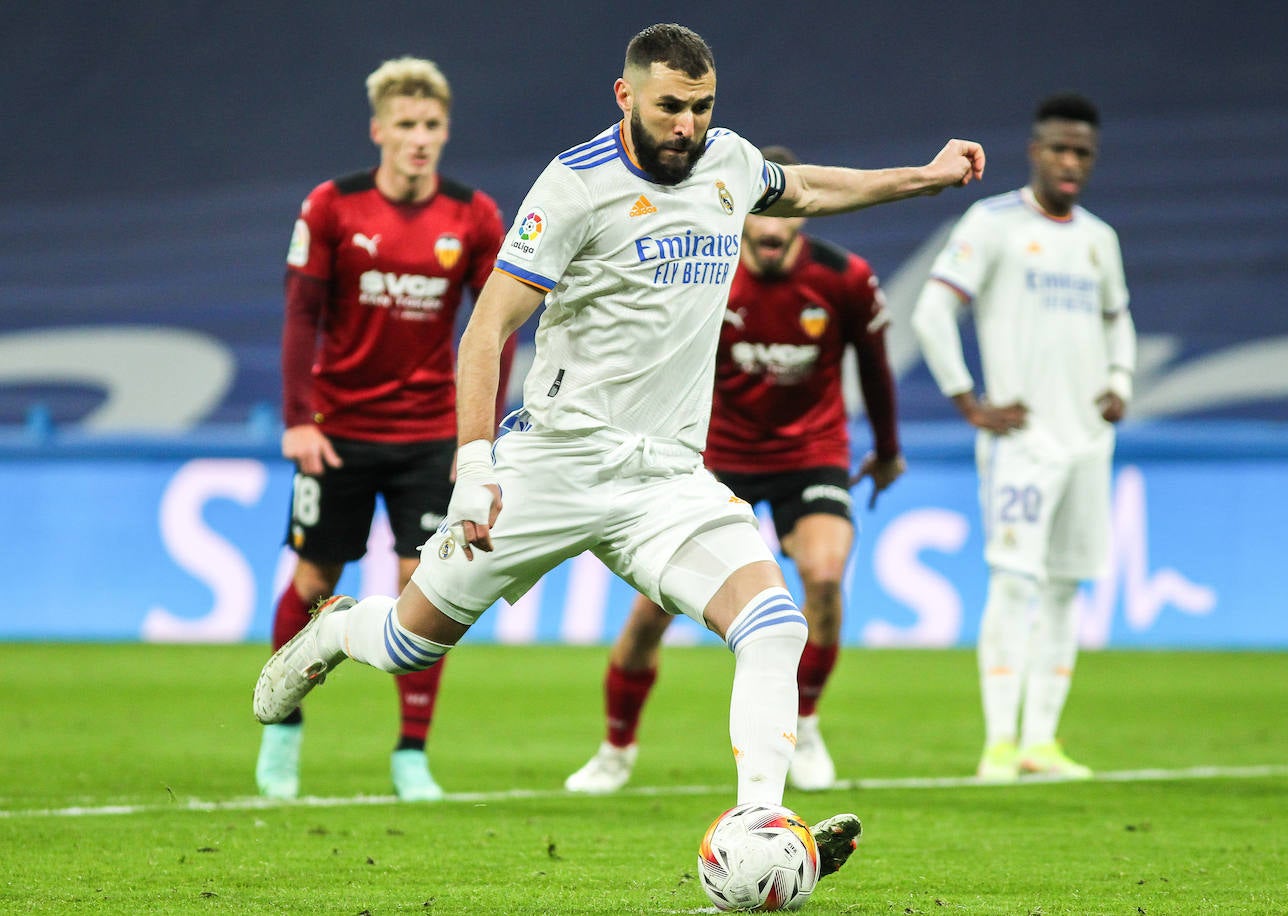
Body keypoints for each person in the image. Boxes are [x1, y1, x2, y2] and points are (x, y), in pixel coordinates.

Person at [255, 23, 982, 879]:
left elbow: (811, 189)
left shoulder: (729, 163)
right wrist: (477, 462)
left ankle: (758, 826)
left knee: (775, 625)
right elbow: (485, 330)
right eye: (670, 106)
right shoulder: (573, 186)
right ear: (625, 96)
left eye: (702, 107)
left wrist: (923, 178)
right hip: (552, 463)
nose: (687, 125)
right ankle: (337, 634)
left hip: (665, 479)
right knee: (412, 642)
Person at [564, 144, 906, 796]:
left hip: (811, 453)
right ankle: (615, 748)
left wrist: (887, 450)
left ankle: (803, 721)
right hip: (714, 459)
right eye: (761, 215)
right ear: (742, 211)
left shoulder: (844, 279)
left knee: (825, 580)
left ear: (803, 214)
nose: (773, 230)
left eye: (786, 216)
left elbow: (876, 370)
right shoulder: (706, 276)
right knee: (648, 616)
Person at [256, 56, 513, 801]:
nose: (420, 138)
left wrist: (479, 439)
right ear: (379, 130)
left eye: (432, 125)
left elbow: (497, 328)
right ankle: (283, 734)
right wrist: (299, 419)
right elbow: (301, 316)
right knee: (313, 582)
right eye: (406, 124)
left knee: (422, 585)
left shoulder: (473, 216)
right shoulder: (332, 207)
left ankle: (410, 754)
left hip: (428, 435)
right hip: (337, 431)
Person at [911, 92, 1135, 783]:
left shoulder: (1099, 238)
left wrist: (1121, 380)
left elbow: (1117, 319)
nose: (1071, 162)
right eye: (1060, 149)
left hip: (1088, 443)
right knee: (1014, 584)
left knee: (1067, 589)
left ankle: (1041, 743)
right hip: (1024, 445)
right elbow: (930, 312)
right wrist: (967, 401)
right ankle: (998, 745)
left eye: (1083, 153)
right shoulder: (994, 222)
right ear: (1036, 152)